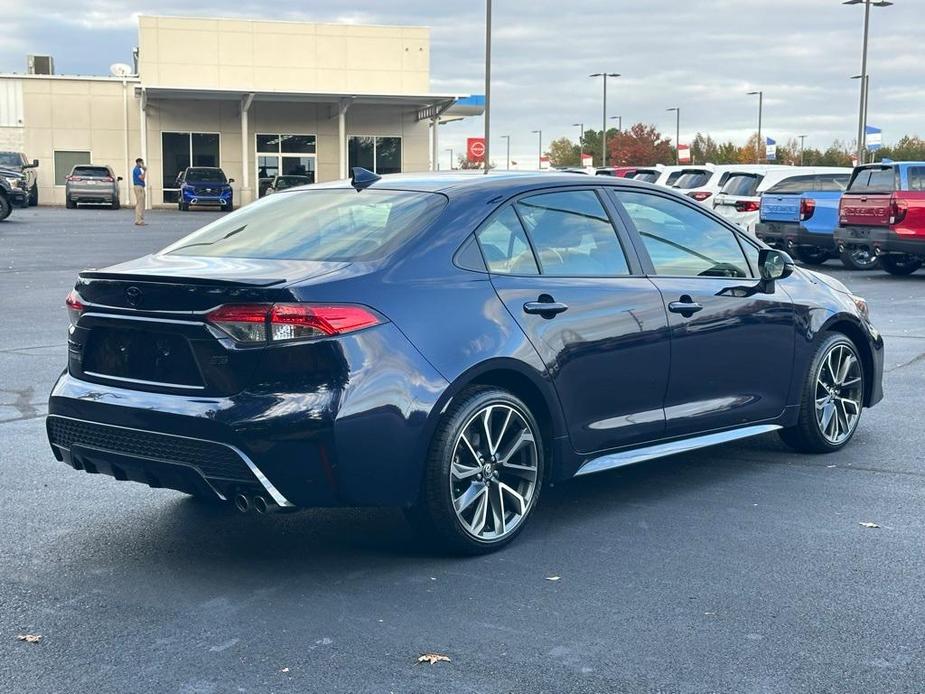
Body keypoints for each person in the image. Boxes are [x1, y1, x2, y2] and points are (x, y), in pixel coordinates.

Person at [132, 158, 146, 226]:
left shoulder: (138, 169)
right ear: (138, 163)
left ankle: (139, 219)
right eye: (142, 163)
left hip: (140, 187)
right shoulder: (137, 169)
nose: (142, 164)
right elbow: (142, 178)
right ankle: (139, 220)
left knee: (140, 203)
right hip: (139, 187)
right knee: (140, 203)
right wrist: (145, 171)